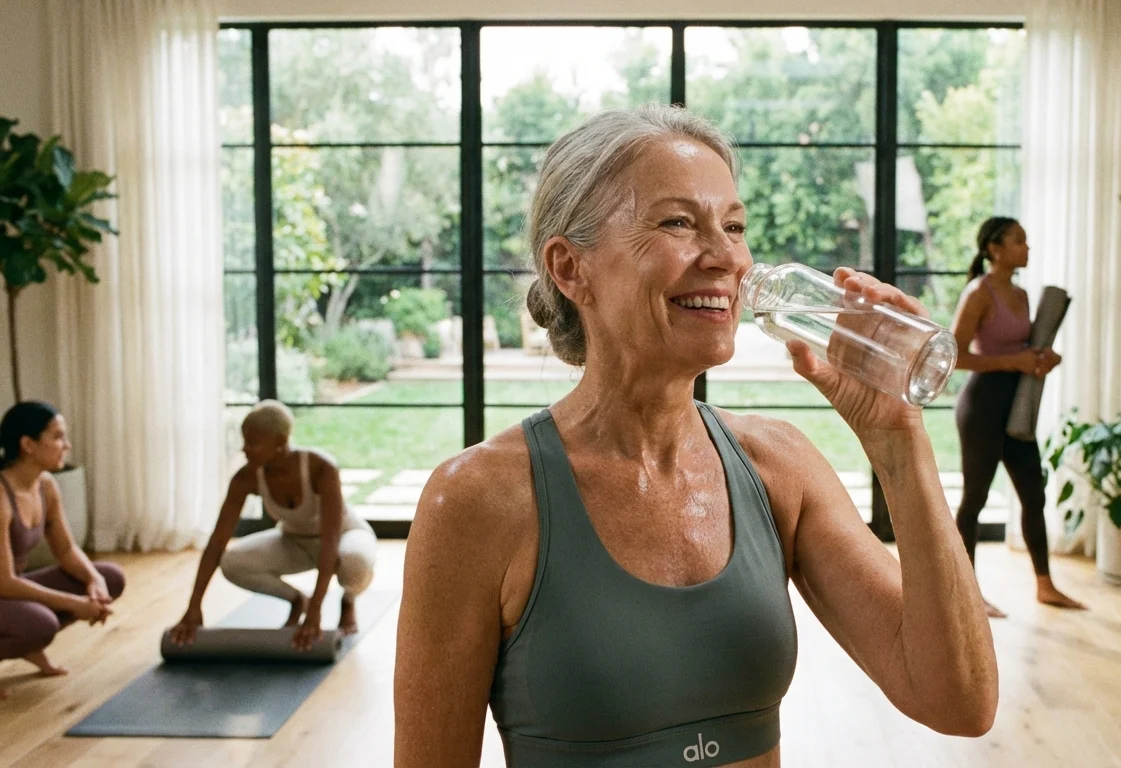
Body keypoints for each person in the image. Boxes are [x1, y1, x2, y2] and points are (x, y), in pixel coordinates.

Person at [394, 104, 999, 767]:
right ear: (571, 269)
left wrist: (898, 442)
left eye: (734, 226)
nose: (726, 258)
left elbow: (959, 703)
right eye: (678, 223)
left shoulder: (779, 467)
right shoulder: (480, 500)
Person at [948, 217, 1082, 618]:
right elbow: (955, 355)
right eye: (1018, 241)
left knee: (1033, 493)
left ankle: (1045, 585)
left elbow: (1026, 349)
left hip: (1017, 407)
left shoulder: (1023, 295)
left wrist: (1043, 358)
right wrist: (1015, 360)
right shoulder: (979, 293)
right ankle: (967, 593)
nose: (1027, 248)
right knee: (975, 498)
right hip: (983, 405)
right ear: (995, 249)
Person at [168, 400, 376, 651]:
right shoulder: (246, 477)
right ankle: (299, 600)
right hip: (294, 541)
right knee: (232, 562)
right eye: (244, 441)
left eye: (253, 442)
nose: (244, 449)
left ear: (280, 443)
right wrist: (194, 606)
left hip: (344, 535)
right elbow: (217, 541)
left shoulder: (321, 468)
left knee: (355, 562)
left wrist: (317, 614)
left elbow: (330, 540)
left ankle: (348, 600)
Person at [0, 401, 125, 698]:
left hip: (8, 593)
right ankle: (27, 637)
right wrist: (72, 603)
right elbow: (4, 582)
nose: (66, 446)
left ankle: (26, 641)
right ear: (28, 444)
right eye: (57, 437)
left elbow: (67, 551)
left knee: (110, 576)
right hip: (5, 586)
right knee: (41, 624)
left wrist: (94, 580)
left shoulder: (45, 485)